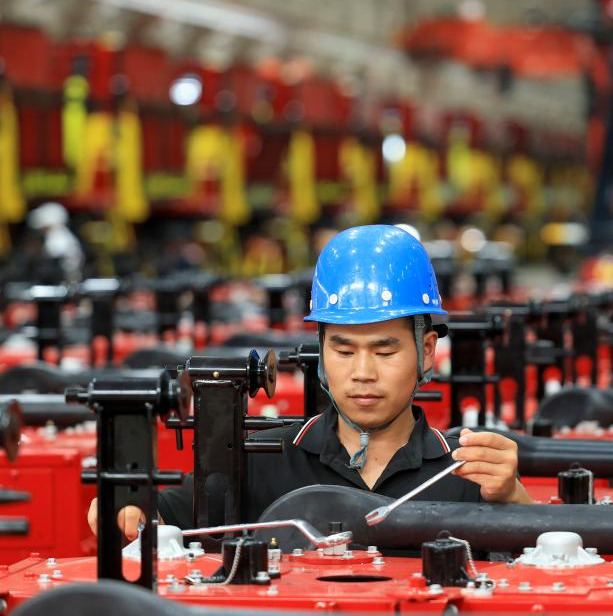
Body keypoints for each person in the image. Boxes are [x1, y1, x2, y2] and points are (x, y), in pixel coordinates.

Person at [88, 225, 531, 540]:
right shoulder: (260, 461)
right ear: (322, 352)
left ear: (427, 351)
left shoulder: (467, 471)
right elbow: (147, 519)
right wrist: (125, 509)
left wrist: (514, 499)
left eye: (384, 351)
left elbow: (547, 563)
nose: (363, 372)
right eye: (344, 351)